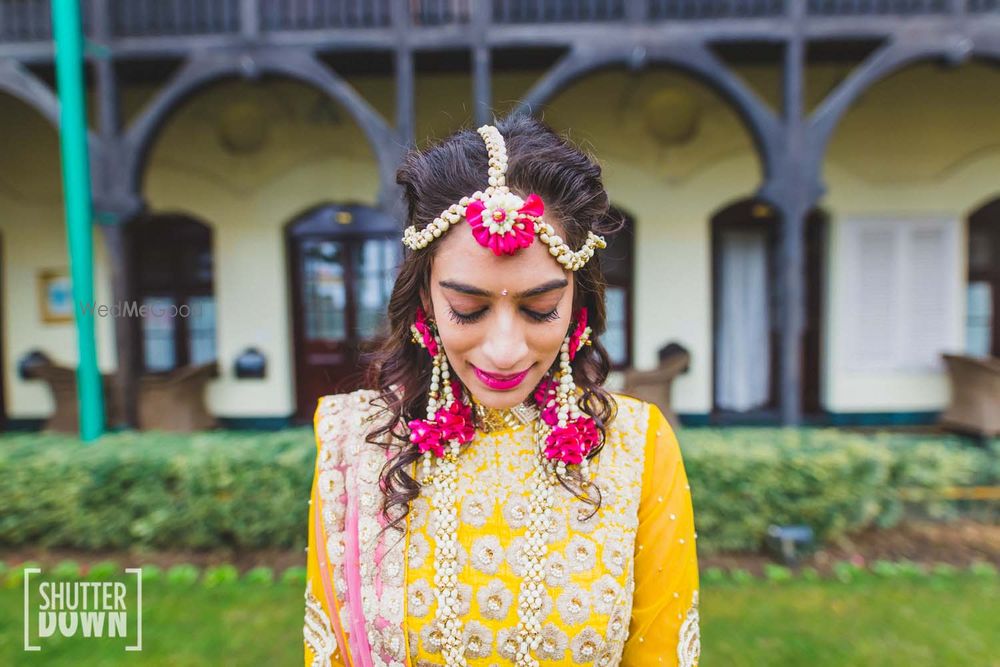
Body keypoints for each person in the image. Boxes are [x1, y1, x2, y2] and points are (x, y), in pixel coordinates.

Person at [304, 115, 700, 667]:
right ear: (425, 301)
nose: (505, 350)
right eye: (468, 310)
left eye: (540, 309)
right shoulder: (355, 445)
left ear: (577, 302)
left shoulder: (637, 449)